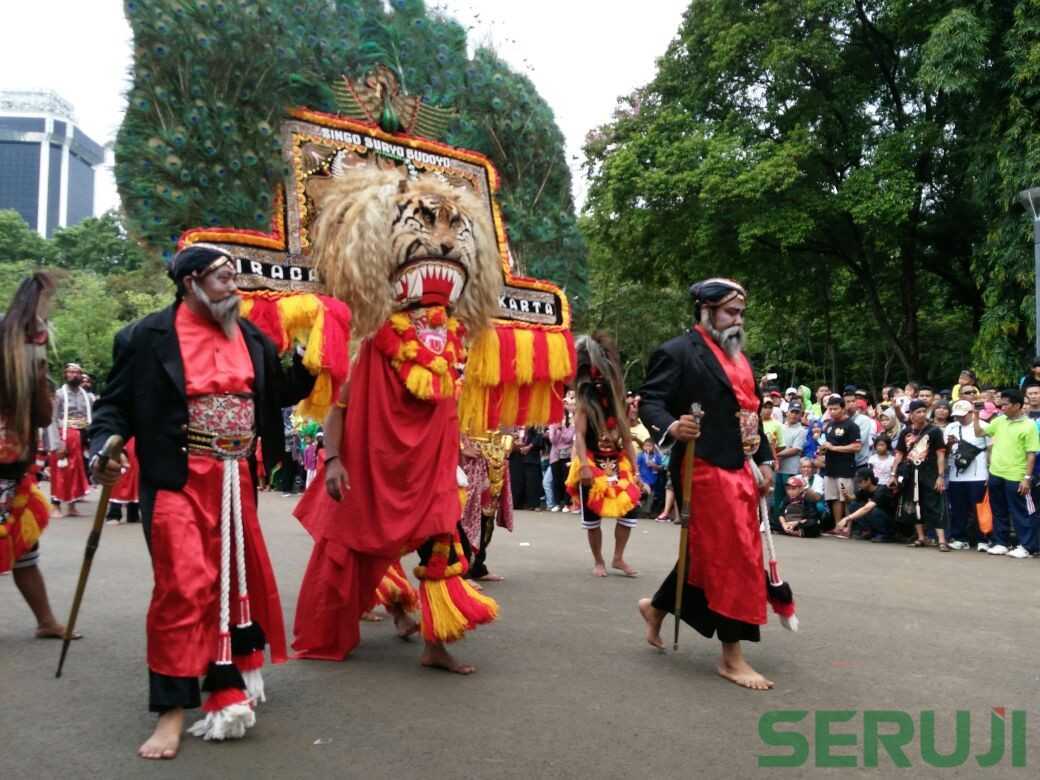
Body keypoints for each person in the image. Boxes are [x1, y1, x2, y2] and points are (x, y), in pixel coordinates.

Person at [89, 245, 315, 759]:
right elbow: (114, 406)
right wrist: (103, 446)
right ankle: (171, 710)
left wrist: (308, 359)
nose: (234, 286)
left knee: (233, 582)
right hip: (177, 478)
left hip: (237, 478)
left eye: (233, 277)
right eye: (222, 278)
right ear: (190, 282)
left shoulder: (252, 336)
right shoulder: (145, 338)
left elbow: (278, 392)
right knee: (183, 584)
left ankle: (226, 677)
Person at [637, 278, 777, 691]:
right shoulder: (677, 351)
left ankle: (657, 607)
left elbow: (751, 416)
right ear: (705, 311)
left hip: (740, 468)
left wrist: (765, 460)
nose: (738, 319)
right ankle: (732, 658)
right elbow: (650, 401)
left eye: (741, 313)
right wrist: (670, 426)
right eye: (730, 312)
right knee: (735, 554)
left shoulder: (741, 359)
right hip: (702, 467)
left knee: (711, 551)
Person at [0, 273, 77, 641]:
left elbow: (43, 414)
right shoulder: (19, 341)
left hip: (15, 466)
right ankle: (46, 620)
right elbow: (43, 412)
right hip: (9, 463)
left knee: (23, 547)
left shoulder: (30, 341)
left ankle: (46, 621)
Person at [567, 333, 644, 577]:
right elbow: (579, 435)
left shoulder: (618, 403)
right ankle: (598, 560)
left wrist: (636, 470)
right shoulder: (583, 404)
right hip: (591, 460)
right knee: (592, 517)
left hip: (617, 460)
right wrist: (584, 467)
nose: (599, 384)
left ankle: (618, 558)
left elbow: (628, 438)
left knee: (630, 508)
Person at [974, 388, 1040, 558]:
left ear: (1017, 405)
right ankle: (1001, 543)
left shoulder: (1029, 425)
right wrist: (976, 415)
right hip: (996, 473)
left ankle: (1027, 546)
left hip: (1017, 475)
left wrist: (1027, 478)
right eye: (1001, 404)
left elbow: (1031, 453)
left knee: (1022, 512)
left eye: (1005, 405)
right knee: (999, 510)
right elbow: (979, 432)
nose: (1001, 407)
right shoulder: (1000, 420)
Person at [892, 400, 949, 550]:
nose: (922, 414)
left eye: (924, 411)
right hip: (911, 473)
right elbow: (899, 454)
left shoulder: (934, 431)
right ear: (911, 414)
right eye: (918, 412)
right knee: (913, 505)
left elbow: (940, 455)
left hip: (930, 474)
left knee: (934, 505)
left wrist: (940, 476)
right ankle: (921, 537)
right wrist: (893, 473)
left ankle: (942, 540)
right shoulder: (905, 432)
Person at [48, 362, 92, 516]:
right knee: (60, 470)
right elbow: (52, 419)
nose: (74, 375)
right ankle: (55, 505)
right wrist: (58, 443)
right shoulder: (59, 394)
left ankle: (72, 506)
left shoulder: (85, 395)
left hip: (79, 436)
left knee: (76, 472)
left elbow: (88, 419)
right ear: (65, 375)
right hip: (62, 436)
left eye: (77, 372)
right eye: (70, 372)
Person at [944, 400, 989, 550]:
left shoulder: (984, 425)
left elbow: (990, 449)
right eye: (957, 415)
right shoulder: (951, 427)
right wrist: (949, 444)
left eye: (962, 415)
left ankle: (984, 539)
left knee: (979, 508)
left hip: (979, 473)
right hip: (956, 474)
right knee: (958, 508)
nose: (959, 418)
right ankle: (959, 538)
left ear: (971, 412)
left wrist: (989, 472)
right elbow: (945, 451)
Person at [821, 394, 860, 533]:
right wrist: (823, 448)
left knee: (847, 497)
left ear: (843, 409)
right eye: (830, 409)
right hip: (830, 466)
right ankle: (838, 525)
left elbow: (856, 447)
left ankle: (849, 527)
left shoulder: (852, 426)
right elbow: (828, 443)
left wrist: (835, 448)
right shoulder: (830, 425)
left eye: (835, 409)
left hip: (845, 466)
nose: (832, 412)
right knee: (834, 498)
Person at [841, 467, 897, 542]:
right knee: (853, 505)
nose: (858, 484)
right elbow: (851, 499)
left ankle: (885, 534)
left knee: (873, 510)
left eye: (860, 481)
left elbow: (867, 508)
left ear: (869, 480)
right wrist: (846, 495)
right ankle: (869, 531)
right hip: (876, 518)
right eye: (857, 481)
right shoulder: (864, 490)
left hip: (889, 521)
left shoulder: (881, 490)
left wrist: (847, 518)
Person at [773, 401, 807, 518]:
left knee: (790, 499)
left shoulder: (801, 430)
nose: (794, 415)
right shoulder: (779, 427)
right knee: (777, 498)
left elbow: (795, 450)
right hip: (778, 469)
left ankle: (789, 521)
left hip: (791, 471)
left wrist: (776, 455)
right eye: (792, 412)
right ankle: (776, 522)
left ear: (800, 415)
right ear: (787, 412)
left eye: (797, 413)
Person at [547, 409, 575, 512]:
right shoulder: (552, 425)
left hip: (567, 455)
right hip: (555, 455)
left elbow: (568, 439)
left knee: (566, 480)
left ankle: (567, 503)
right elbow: (552, 440)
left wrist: (562, 428)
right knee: (556, 480)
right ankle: (557, 503)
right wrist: (556, 429)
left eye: (562, 415)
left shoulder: (571, 425)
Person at [636, 438, 665, 517]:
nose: (647, 448)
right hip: (643, 479)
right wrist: (637, 475)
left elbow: (662, 467)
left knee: (651, 496)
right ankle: (640, 510)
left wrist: (654, 465)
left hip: (654, 479)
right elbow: (636, 466)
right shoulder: (641, 456)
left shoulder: (657, 456)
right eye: (645, 446)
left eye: (649, 446)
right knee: (644, 492)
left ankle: (646, 511)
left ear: (653, 447)